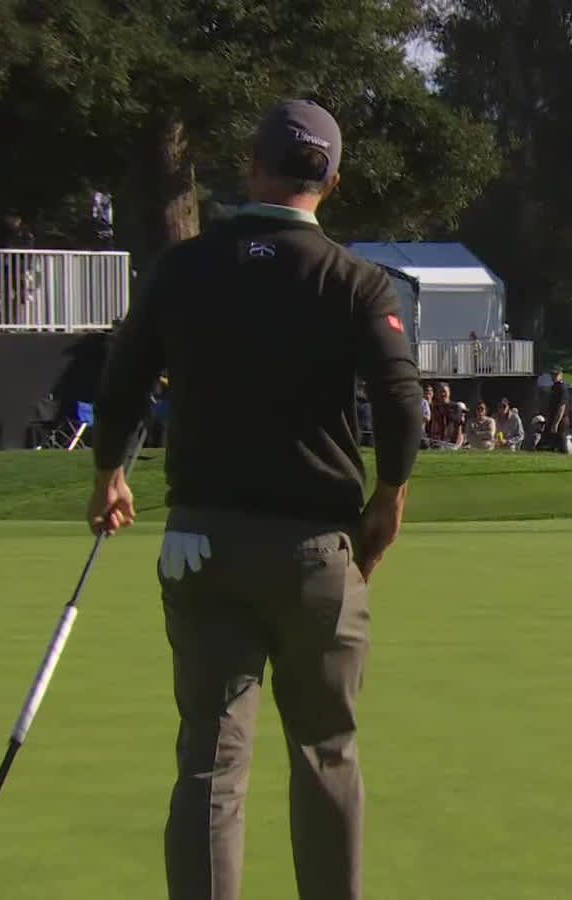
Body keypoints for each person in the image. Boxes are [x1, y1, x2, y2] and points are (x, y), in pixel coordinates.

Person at [85, 99, 424, 900]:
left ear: (251, 166)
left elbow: (124, 382)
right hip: (315, 554)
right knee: (325, 749)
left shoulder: (183, 268)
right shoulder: (354, 280)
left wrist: (109, 475)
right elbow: (402, 404)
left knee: (210, 757)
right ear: (331, 181)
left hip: (200, 545)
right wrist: (392, 493)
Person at [543, 366, 571, 452]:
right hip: (552, 418)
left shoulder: (562, 388)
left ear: (561, 375)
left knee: (562, 444)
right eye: (552, 374)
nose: (553, 376)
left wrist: (556, 423)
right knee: (551, 445)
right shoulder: (554, 387)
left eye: (556, 374)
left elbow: (562, 407)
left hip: (560, 420)